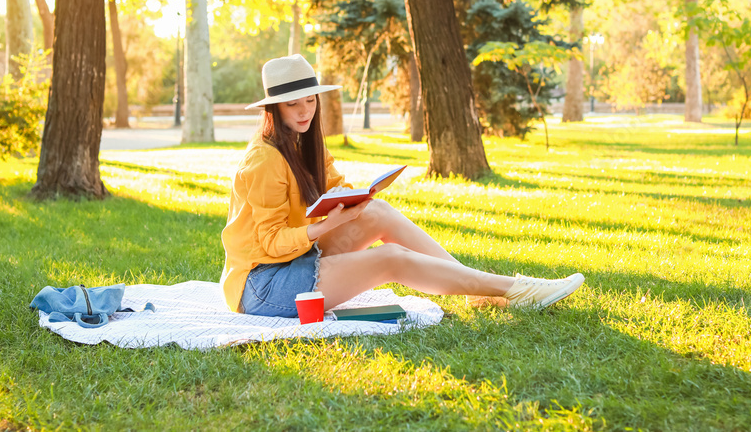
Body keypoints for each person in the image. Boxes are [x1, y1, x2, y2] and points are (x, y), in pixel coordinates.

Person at [220, 54, 585, 317]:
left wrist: (354, 202)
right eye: (292, 105)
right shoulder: (264, 160)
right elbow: (269, 242)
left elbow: (335, 190)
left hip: (296, 259)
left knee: (377, 212)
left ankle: (481, 290)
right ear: (274, 109)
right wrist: (325, 226)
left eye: (310, 100)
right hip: (262, 286)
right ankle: (514, 290)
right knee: (391, 260)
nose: (305, 112)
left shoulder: (306, 144)